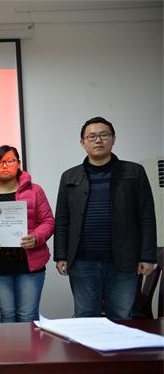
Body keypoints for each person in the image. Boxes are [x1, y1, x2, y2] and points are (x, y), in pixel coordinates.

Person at [54, 116, 157, 320]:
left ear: (113, 138)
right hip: (82, 262)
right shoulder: (69, 176)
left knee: (121, 316)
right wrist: (61, 256)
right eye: (92, 136)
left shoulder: (134, 172)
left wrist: (147, 256)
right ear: (82, 142)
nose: (98, 140)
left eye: (104, 135)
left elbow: (146, 216)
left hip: (124, 261)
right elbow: (63, 220)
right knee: (85, 317)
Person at [0, 146, 55, 323]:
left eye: (10, 161)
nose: (5, 165)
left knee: (27, 316)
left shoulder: (35, 190)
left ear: (18, 163)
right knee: (7, 315)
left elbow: (48, 221)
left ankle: (29, 344)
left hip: (30, 263)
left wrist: (36, 237)